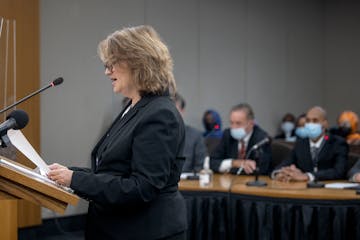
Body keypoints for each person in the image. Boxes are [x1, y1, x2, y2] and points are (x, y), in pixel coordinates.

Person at [47, 25, 187, 240]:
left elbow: (141, 188)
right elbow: (114, 172)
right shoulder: (134, 106)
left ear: (137, 62)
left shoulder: (160, 114)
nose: (107, 71)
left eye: (112, 63)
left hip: (144, 232)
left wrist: (74, 179)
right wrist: (67, 174)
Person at [272, 106, 348, 182]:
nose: (310, 124)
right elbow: (286, 163)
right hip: (303, 189)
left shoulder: (337, 143)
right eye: (308, 121)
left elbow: (339, 171)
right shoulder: (301, 143)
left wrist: (308, 176)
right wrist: (279, 173)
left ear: (325, 124)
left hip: (329, 190)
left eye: (315, 121)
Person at [210, 103, 272, 175]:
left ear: (251, 123)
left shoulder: (262, 139)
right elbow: (212, 162)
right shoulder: (227, 134)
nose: (234, 127)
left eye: (238, 123)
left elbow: (260, 170)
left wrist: (228, 168)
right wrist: (234, 163)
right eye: (231, 123)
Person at [174, 93, 207, 172]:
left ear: (182, 111)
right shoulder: (156, 135)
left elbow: (199, 167)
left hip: (187, 182)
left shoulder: (195, 136)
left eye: (175, 110)